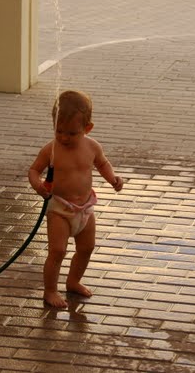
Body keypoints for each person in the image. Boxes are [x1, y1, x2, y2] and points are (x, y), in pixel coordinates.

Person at [28, 90, 124, 308]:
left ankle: (73, 281)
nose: (64, 137)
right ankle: (50, 290)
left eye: (72, 133)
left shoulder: (92, 147)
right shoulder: (51, 149)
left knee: (86, 248)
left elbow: (103, 164)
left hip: (85, 208)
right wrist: (38, 185)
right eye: (59, 131)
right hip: (60, 209)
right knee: (57, 251)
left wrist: (113, 179)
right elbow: (34, 170)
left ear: (87, 128)